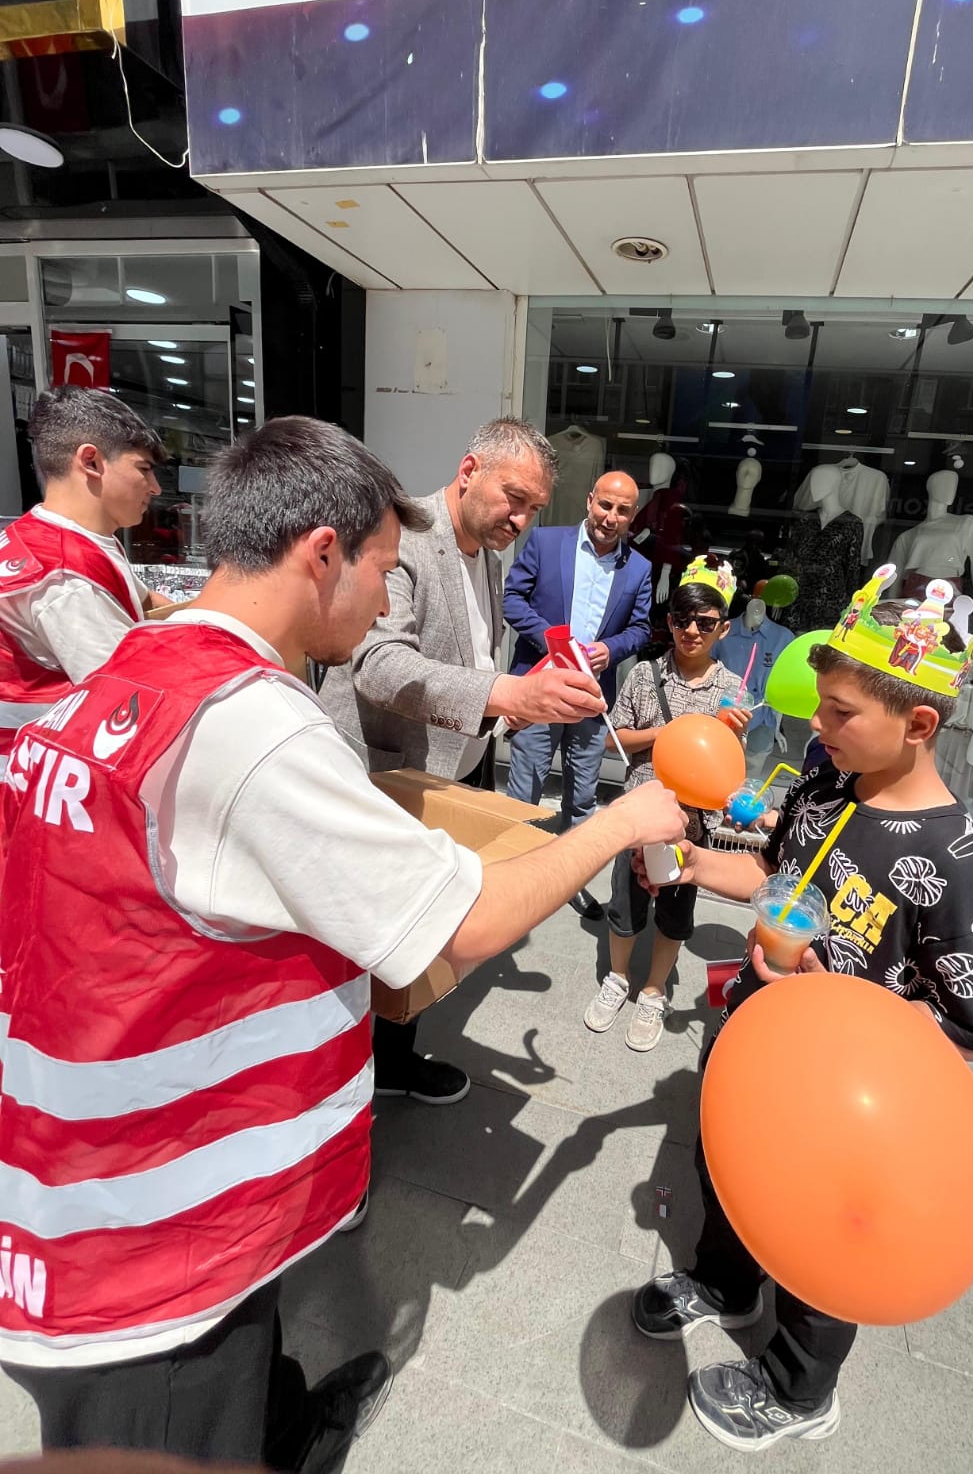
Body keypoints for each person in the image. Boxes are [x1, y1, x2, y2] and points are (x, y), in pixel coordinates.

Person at [0, 416, 687, 1467]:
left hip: (96, 1182)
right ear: (323, 554)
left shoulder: (133, 662)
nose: (381, 601)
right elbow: (460, 922)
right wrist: (619, 823)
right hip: (154, 1241)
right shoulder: (256, 727)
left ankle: (288, 1421)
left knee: (248, 1382)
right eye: (379, 571)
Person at [630, 570, 973, 1451]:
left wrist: (830, 1001)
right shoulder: (826, 783)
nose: (817, 725)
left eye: (841, 713)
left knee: (823, 1237)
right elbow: (771, 875)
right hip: (756, 1041)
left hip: (846, 1105)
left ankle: (799, 1388)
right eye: (821, 707)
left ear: (918, 725)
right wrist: (690, 863)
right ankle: (726, 1282)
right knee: (731, 1166)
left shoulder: (957, 865)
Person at [320, 419, 607, 1104]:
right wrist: (506, 692)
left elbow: (470, 655)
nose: (523, 519)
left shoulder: (487, 551)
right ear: (470, 469)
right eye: (515, 498)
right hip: (387, 771)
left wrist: (506, 707)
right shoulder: (404, 539)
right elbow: (380, 666)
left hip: (457, 759)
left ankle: (391, 1060)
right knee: (363, 938)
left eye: (535, 508)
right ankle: (343, 1082)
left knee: (421, 924)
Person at [586, 576, 749, 1052]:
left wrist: (730, 733)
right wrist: (673, 733)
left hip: (691, 825)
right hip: (639, 813)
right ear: (670, 623)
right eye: (682, 620)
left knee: (676, 913)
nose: (692, 631)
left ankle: (654, 990)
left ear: (723, 628)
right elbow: (615, 737)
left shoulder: (731, 689)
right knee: (625, 905)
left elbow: (729, 763)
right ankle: (617, 978)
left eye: (705, 622)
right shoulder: (644, 674)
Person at [503, 470, 652, 918]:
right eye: (605, 505)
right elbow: (513, 600)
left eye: (622, 510)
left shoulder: (639, 568)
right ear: (590, 501)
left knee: (582, 797)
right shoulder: (545, 542)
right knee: (524, 788)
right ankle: (513, 877)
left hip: (591, 696)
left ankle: (571, 881)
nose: (611, 517)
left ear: (633, 516)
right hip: (541, 684)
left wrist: (613, 648)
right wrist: (554, 643)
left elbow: (641, 628)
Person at [0, 386, 168, 774]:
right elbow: (129, 696)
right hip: (35, 781)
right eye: (144, 469)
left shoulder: (58, 538)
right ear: (90, 461)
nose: (155, 488)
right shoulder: (63, 576)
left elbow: (146, 602)